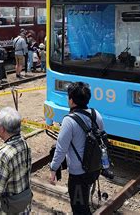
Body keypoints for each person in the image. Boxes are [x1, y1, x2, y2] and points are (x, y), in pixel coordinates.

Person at [49, 82, 104, 215]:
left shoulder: (69, 121)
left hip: (78, 175)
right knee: (83, 202)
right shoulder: (96, 114)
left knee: (79, 208)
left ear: (72, 100)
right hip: (94, 168)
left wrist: (53, 169)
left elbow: (61, 149)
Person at [0, 107, 32, 214]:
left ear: (2, 129)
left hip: (6, 209)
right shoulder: (24, 143)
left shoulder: (3, 157)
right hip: (22, 206)